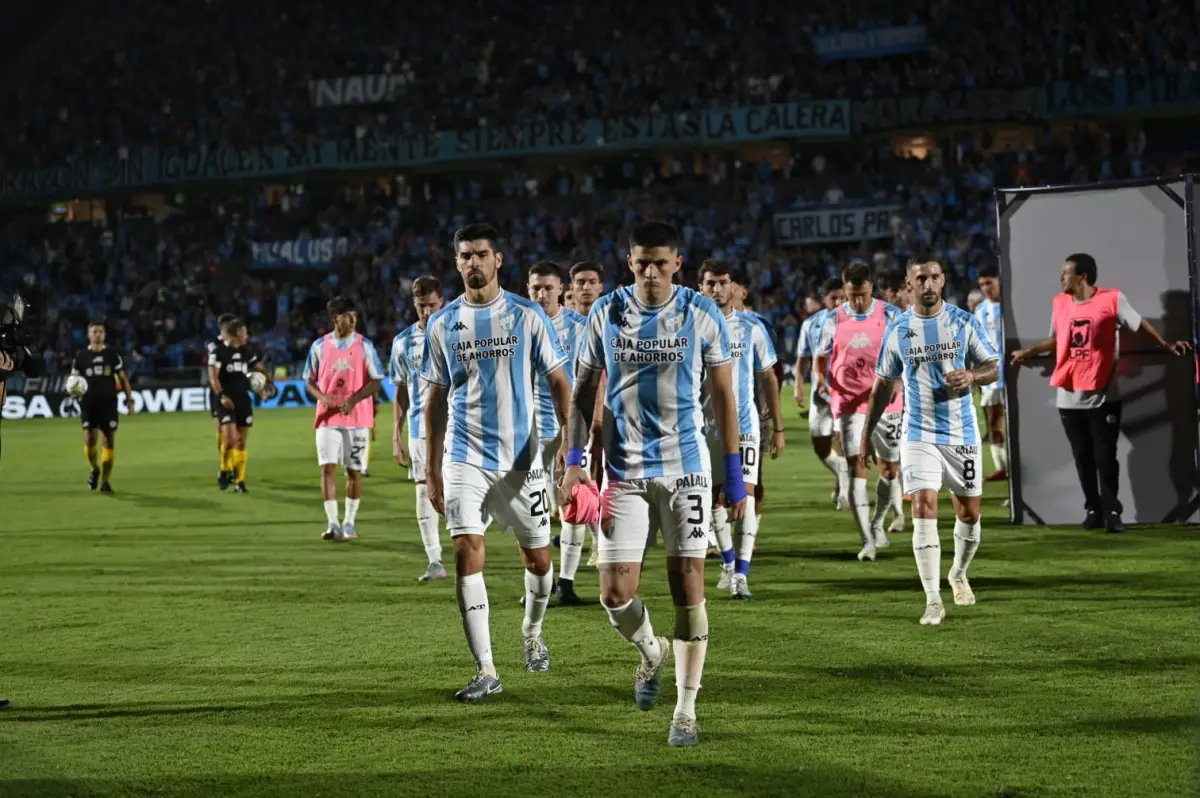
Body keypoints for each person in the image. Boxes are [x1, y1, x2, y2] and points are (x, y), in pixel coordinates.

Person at [560, 221, 747, 748]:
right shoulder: (606, 312)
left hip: (686, 468)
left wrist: (733, 474)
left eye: (660, 263)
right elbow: (583, 392)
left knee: (688, 587)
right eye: (642, 262)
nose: (650, 272)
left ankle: (686, 711)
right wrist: (574, 461)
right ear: (629, 262)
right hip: (623, 472)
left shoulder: (701, 313)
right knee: (614, 593)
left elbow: (725, 397)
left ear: (677, 264)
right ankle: (651, 651)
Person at [421, 222, 572, 703]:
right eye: (465, 255)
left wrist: (571, 448)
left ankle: (532, 630)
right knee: (466, 549)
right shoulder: (443, 323)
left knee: (538, 560)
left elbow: (560, 382)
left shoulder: (527, 315)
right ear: (456, 261)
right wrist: (431, 469)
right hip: (464, 456)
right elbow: (434, 401)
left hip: (522, 461)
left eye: (481, 254)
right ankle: (486, 668)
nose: (473, 262)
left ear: (498, 259)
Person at [863, 254, 999, 625]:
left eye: (934, 277)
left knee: (969, 515)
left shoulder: (963, 322)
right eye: (920, 278)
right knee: (923, 507)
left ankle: (958, 572)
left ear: (943, 280)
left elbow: (992, 366)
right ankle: (933, 599)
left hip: (961, 433)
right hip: (918, 433)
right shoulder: (898, 330)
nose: (928, 284)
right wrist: (865, 434)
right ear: (909, 284)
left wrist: (972, 376)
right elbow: (882, 386)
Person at [1011, 253, 1190, 533]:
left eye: (1066, 272)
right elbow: (1057, 339)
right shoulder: (1059, 302)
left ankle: (1112, 512)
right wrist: (1029, 351)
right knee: (1082, 457)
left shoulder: (1112, 299)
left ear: (1082, 277)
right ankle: (1092, 510)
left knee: (1105, 458)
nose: (1061, 277)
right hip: (1068, 395)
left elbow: (1138, 324)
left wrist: (1165, 344)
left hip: (1104, 394)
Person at [698, 260, 784, 599]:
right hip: (703, 428)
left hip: (745, 426)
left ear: (733, 286)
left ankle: (741, 574)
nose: (717, 289)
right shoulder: (690, 327)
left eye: (723, 282)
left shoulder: (751, 327)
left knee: (745, 496)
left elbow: (769, 376)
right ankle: (728, 562)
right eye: (711, 283)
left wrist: (778, 427)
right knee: (711, 499)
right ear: (701, 288)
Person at [813, 263, 904, 562]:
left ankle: (878, 522)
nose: (858, 301)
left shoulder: (891, 315)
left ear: (871, 288)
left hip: (886, 401)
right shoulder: (832, 319)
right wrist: (821, 380)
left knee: (889, 470)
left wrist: (898, 382)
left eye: (863, 294)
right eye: (852, 296)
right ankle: (867, 540)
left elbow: (906, 354)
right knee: (856, 466)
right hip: (849, 403)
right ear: (845, 290)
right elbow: (820, 357)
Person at [527, 260, 588, 605]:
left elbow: (593, 381)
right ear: (527, 290)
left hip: (573, 431)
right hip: (531, 432)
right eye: (536, 288)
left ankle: (566, 582)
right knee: (533, 509)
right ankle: (541, 581)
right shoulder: (519, 326)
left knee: (574, 504)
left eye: (548, 288)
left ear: (561, 290)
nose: (542, 294)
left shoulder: (580, 328)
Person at [305, 297, 384, 540]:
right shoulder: (319, 346)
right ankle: (333, 524)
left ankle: (349, 523)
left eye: (354, 316)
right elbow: (308, 380)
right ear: (335, 319)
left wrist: (354, 399)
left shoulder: (365, 346)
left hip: (357, 418)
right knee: (327, 468)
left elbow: (377, 380)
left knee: (354, 472)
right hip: (328, 418)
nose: (352, 320)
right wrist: (323, 397)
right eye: (347, 316)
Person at [390, 276, 448, 581]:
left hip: (458, 426)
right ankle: (434, 560)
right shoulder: (402, 342)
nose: (426, 312)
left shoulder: (456, 334)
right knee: (424, 491)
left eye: (432, 305)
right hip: (418, 430)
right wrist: (396, 434)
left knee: (463, 489)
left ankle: (468, 545)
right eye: (421, 306)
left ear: (443, 303)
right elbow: (401, 390)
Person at [795, 279, 849, 508]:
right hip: (821, 393)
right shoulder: (811, 324)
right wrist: (798, 385)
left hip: (846, 393)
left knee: (842, 440)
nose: (838, 302)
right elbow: (803, 358)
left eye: (842, 297)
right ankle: (842, 476)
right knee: (821, 446)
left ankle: (846, 493)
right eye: (833, 298)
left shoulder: (854, 321)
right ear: (823, 298)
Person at [568, 260, 607, 565]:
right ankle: (597, 542)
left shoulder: (609, 322)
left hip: (604, 414)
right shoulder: (562, 327)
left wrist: (598, 417)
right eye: (580, 282)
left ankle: (603, 542)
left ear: (601, 287)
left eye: (592, 281)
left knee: (602, 480)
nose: (586, 287)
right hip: (569, 417)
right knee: (580, 481)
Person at [209, 318, 273, 493]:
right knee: (229, 440)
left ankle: (240, 481)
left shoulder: (246, 352)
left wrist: (267, 385)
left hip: (243, 400)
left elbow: (257, 370)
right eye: (244, 332)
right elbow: (213, 378)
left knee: (241, 441)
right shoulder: (218, 352)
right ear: (237, 333)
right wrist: (221, 396)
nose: (247, 335)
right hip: (226, 401)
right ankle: (224, 469)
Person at [72, 319, 136, 494]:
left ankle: (106, 481)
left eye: (100, 331)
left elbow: (123, 378)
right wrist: (73, 391)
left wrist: (129, 400)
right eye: (94, 331)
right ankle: (95, 469)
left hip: (108, 404)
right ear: (88, 334)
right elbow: (73, 381)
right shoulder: (81, 357)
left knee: (108, 441)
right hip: (88, 404)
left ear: (105, 334)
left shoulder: (112, 355)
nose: (98, 334)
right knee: (90, 440)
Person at [973, 265, 1009, 481]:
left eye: (989, 282)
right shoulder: (980, 310)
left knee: (1016, 422)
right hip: (990, 373)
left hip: (1012, 371)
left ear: (999, 280)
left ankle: (1018, 467)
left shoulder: (1010, 305)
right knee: (993, 420)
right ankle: (1002, 467)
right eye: (982, 284)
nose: (986, 288)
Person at [206, 313, 237, 484]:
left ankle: (231, 465)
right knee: (221, 431)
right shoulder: (213, 344)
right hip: (217, 391)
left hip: (234, 391)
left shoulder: (237, 344)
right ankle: (226, 465)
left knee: (234, 433)